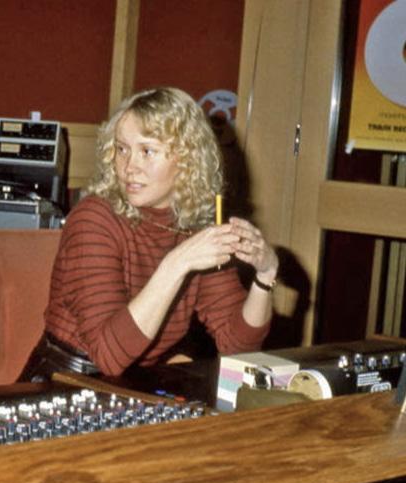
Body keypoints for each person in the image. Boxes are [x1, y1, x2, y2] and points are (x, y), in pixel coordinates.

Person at [20, 87, 277, 380]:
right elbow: (108, 355)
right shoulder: (94, 219)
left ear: (188, 159)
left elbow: (237, 346)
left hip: (134, 381)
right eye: (122, 149)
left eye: (147, 151)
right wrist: (177, 264)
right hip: (65, 380)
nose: (129, 167)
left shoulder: (195, 229)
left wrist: (266, 275)